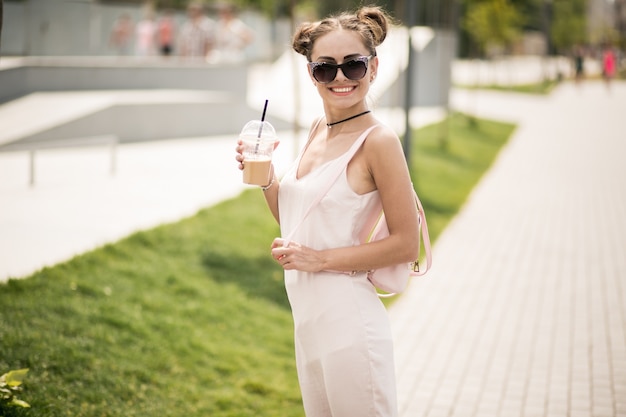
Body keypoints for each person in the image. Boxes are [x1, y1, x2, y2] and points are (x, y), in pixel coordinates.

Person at [235, 6, 419, 416]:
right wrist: (265, 178)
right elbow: (295, 219)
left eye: (353, 66)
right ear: (311, 73)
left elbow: (407, 244)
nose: (339, 79)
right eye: (325, 69)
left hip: (350, 324)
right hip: (308, 323)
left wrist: (318, 260)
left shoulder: (379, 141)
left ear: (373, 68)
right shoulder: (320, 128)